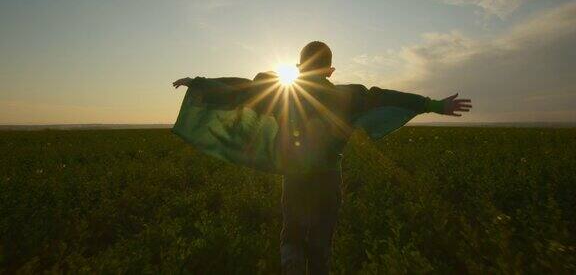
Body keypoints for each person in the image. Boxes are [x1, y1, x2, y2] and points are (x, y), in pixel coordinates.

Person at [172, 41, 472, 274]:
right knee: (321, 239)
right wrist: (433, 104)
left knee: (292, 233)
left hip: (295, 174)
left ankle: (291, 266)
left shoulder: (282, 92)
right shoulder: (348, 96)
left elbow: (240, 89)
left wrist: (199, 83)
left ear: (299, 68)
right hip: (328, 177)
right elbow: (385, 97)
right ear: (330, 71)